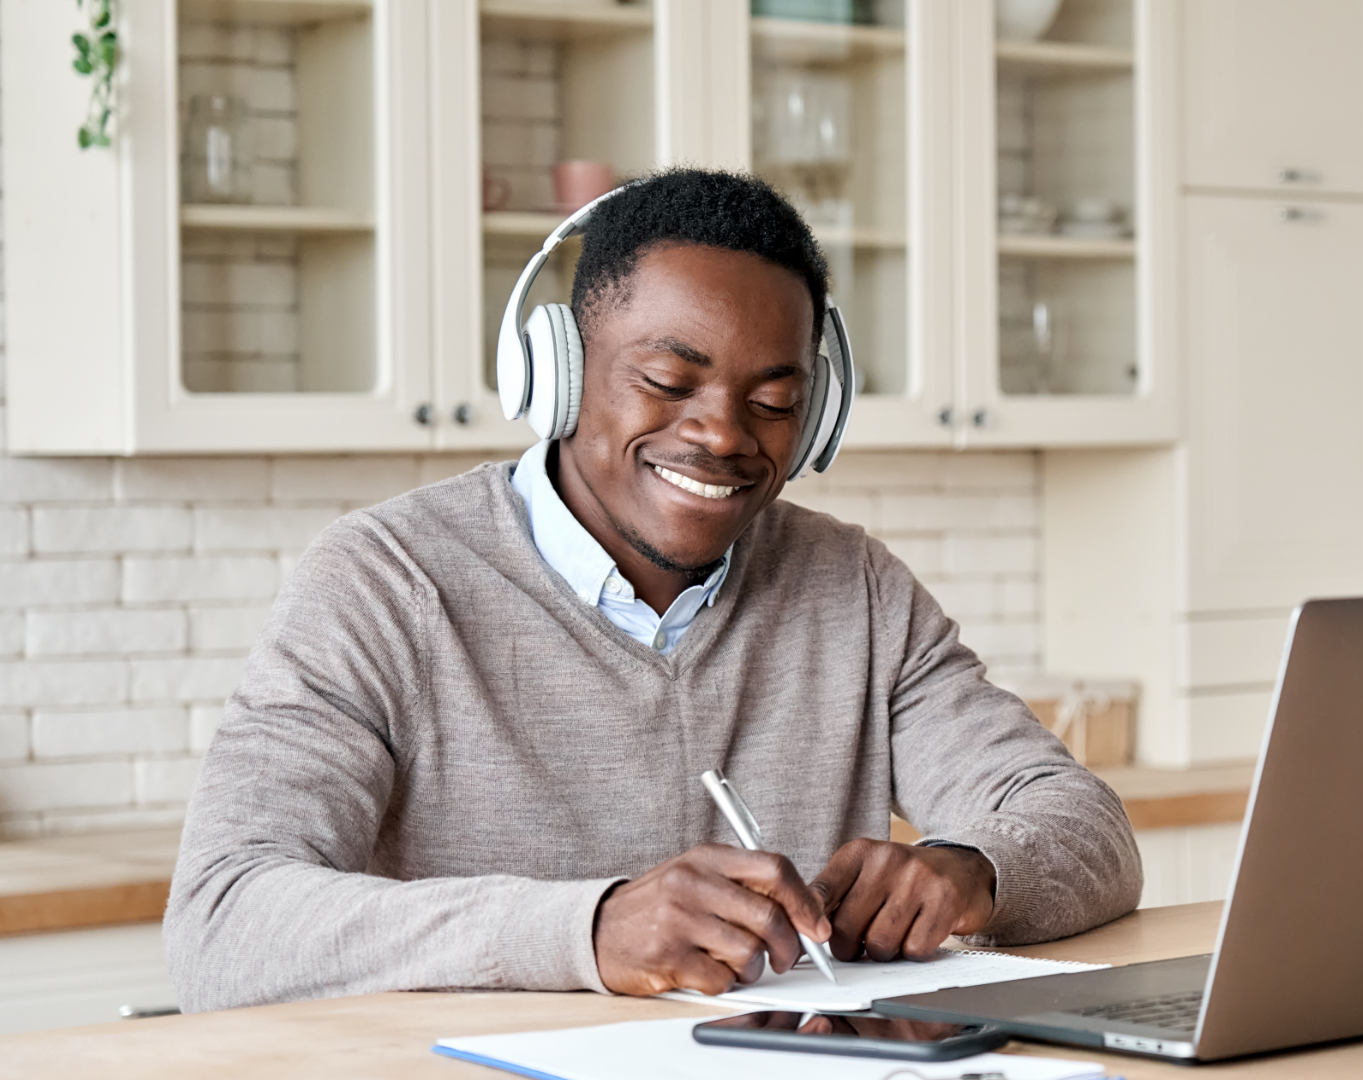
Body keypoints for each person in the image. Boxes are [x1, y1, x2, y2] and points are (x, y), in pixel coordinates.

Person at [163, 168, 1142, 1012]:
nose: (723, 433)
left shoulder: (857, 591)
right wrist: (586, 930)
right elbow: (222, 922)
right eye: (669, 382)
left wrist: (973, 873)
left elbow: (1083, 824)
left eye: (774, 402)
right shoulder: (384, 582)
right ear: (556, 371)